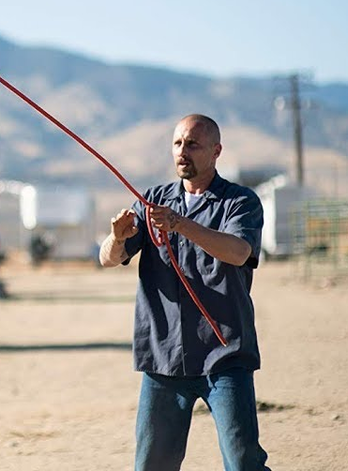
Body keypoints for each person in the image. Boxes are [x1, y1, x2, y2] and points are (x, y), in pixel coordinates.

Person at [98, 114, 270, 471]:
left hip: (224, 356)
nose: (182, 152)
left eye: (192, 144)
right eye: (177, 143)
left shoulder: (240, 202)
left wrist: (180, 224)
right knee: (152, 465)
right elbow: (107, 259)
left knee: (243, 462)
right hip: (164, 358)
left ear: (216, 151)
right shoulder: (152, 201)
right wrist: (116, 236)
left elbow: (238, 252)